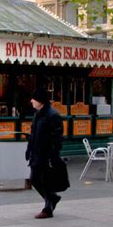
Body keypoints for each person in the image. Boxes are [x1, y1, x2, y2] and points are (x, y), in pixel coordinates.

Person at [25, 87, 64, 219]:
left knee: (45, 181)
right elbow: (33, 134)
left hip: (46, 155)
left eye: (34, 99)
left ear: (40, 100)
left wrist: (53, 156)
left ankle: (48, 208)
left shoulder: (53, 115)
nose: (31, 101)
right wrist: (29, 149)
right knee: (34, 179)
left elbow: (57, 138)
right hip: (36, 153)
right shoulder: (38, 114)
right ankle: (52, 198)